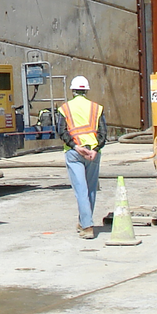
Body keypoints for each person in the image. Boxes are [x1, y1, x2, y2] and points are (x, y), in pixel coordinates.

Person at [59, 75, 106, 239]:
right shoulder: (96, 108)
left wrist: (75, 146)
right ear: (86, 90)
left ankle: (87, 226)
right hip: (93, 153)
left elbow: (62, 131)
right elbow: (103, 132)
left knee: (81, 190)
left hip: (74, 153)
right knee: (91, 190)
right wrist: (95, 149)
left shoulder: (65, 108)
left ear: (72, 91)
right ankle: (84, 221)